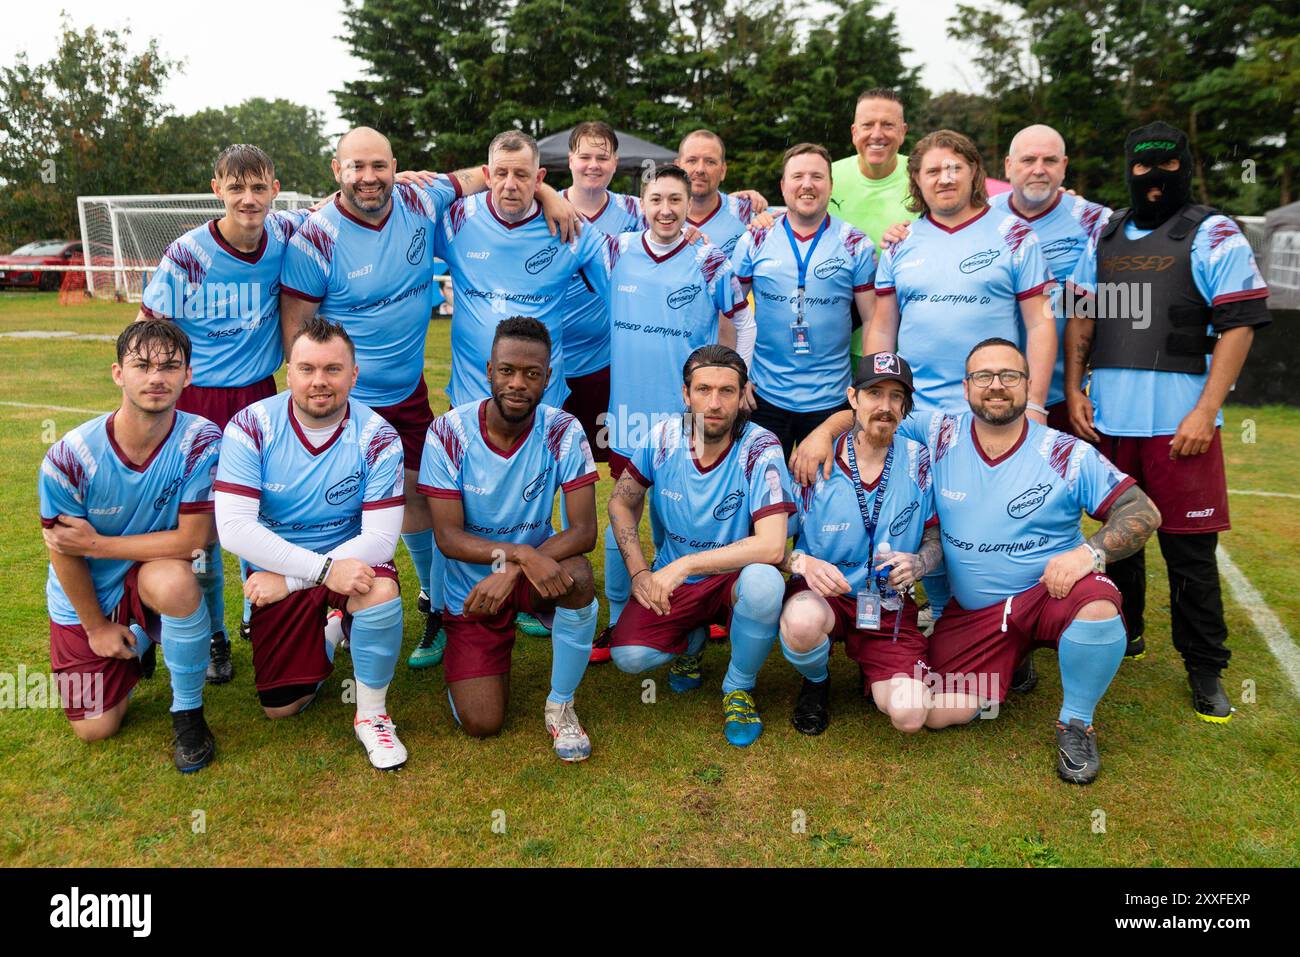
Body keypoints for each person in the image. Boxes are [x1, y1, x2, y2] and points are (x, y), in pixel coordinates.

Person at [279, 127, 528, 673]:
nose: (368, 178)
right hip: (349, 402)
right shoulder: (315, 237)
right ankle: (327, 606)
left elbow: (490, 173)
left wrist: (552, 194)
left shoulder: (421, 197)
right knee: (344, 506)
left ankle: (434, 606)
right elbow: (298, 336)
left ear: (396, 166)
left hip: (408, 393)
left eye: (378, 165)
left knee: (423, 499)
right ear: (336, 171)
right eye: (356, 167)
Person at [1064, 121, 1271, 721]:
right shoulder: (1102, 237)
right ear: (1127, 168)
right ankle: (1125, 632)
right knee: (1119, 543)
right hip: (1111, 423)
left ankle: (1205, 669)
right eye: (1141, 168)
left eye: (1168, 167)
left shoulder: (1214, 232)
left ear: (1184, 164)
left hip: (1181, 428)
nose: (1154, 181)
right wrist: (1076, 387)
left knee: (1189, 552)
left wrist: (1206, 411)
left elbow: (1238, 326)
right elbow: (1082, 318)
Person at [911, 338, 1161, 784]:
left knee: (1099, 608)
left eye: (1010, 376)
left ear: (1028, 385)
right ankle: (1013, 663)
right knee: (934, 713)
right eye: (984, 376)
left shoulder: (1066, 453)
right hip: (979, 616)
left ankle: (1077, 723)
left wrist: (1090, 552)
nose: (996, 386)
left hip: (1049, 594)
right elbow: (871, 412)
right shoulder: (938, 432)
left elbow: (1143, 511)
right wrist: (819, 435)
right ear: (965, 387)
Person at [138, 144, 313, 683]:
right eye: (236, 187)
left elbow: (347, 200)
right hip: (197, 402)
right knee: (200, 529)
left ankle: (256, 616)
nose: (248, 198)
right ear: (217, 189)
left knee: (260, 514)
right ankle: (209, 631)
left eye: (258, 187)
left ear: (274, 190)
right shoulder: (187, 254)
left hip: (259, 397)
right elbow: (151, 331)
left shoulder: (287, 235)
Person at [214, 318, 409, 770]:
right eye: (307, 369)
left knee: (378, 590)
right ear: (289, 374)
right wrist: (315, 572)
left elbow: (380, 540)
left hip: (339, 567)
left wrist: (295, 578)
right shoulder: (251, 427)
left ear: (354, 374)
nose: (319, 381)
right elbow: (234, 530)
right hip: (284, 569)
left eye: (333, 369)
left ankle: (372, 715)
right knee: (281, 707)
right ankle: (330, 631)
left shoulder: (378, 436)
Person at [583, 163, 751, 663]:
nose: (665, 210)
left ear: (688, 203)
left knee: (678, 507)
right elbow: (566, 219)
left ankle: (696, 604)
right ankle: (618, 617)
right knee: (625, 508)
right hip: (630, 410)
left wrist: (745, 379)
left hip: (689, 414)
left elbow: (742, 320)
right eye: (656, 200)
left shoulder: (707, 258)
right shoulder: (617, 249)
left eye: (675, 200)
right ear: (641, 204)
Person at [39, 320, 222, 772]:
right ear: (118, 373)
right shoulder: (69, 457)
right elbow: (64, 550)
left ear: (188, 376)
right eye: (141, 365)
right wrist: (97, 626)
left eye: (169, 366)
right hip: (89, 595)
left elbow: (196, 539)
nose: (156, 377)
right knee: (97, 728)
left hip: (153, 571)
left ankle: (188, 712)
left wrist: (99, 544)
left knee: (178, 581)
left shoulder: (201, 441)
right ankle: (138, 641)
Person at [419, 317, 601, 761]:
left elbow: (584, 531)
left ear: (547, 378)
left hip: (529, 574)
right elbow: (447, 537)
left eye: (531, 374)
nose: (518, 384)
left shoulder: (562, 430)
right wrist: (517, 554)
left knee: (576, 576)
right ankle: (465, 657)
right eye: (507, 371)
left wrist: (516, 567)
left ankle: (561, 704)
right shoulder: (448, 433)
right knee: (483, 723)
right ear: (488, 371)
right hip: (472, 591)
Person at [606, 345, 792, 747]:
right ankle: (691, 641)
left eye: (727, 391)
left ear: (744, 395)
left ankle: (738, 687)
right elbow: (621, 500)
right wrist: (640, 571)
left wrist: (687, 564)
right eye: (703, 389)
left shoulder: (762, 448)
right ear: (685, 394)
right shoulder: (662, 438)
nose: (714, 402)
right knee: (629, 657)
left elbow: (774, 545)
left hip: (732, 579)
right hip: (677, 580)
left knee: (765, 583)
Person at [880, 124, 1113, 435]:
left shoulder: (1095, 220)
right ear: (1008, 166)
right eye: (1028, 160)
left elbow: (1113, 306)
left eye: (1050, 161)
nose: (1038, 171)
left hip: (1052, 389)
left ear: (1065, 166)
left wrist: (1067, 386)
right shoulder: (987, 211)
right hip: (984, 392)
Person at [777, 352, 950, 734]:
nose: (885, 407)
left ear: (905, 407)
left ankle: (875, 671)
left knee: (909, 715)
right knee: (801, 623)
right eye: (874, 393)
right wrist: (802, 563)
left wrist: (920, 563)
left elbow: (934, 534)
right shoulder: (813, 462)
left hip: (888, 605)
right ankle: (817, 681)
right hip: (825, 596)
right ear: (853, 398)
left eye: (895, 397)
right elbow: (767, 544)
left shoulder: (921, 462)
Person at [731, 142, 877, 459]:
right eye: (797, 176)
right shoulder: (754, 238)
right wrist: (735, 378)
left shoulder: (856, 243)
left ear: (831, 185)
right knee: (763, 498)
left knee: (826, 500)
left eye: (817, 176)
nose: (807, 184)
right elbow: (730, 316)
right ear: (783, 186)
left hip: (832, 400)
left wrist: (869, 389)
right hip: (763, 397)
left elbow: (873, 321)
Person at [558, 121, 646, 462]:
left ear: (615, 162)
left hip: (604, 360)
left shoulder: (637, 211)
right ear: (570, 160)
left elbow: (680, 215)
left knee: (602, 457)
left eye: (602, 157)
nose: (593, 165)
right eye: (585, 156)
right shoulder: (544, 208)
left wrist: (751, 204)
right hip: (549, 360)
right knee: (554, 456)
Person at [828, 89, 916, 369]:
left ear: (903, 132)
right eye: (868, 125)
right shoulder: (826, 177)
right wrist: (753, 206)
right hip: (835, 345)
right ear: (854, 131)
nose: (877, 134)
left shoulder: (925, 176)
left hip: (908, 343)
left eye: (888, 125)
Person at [677, 130, 767, 256]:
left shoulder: (748, 212)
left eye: (710, 162)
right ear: (677, 167)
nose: (700, 169)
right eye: (692, 160)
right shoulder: (654, 215)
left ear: (723, 171)